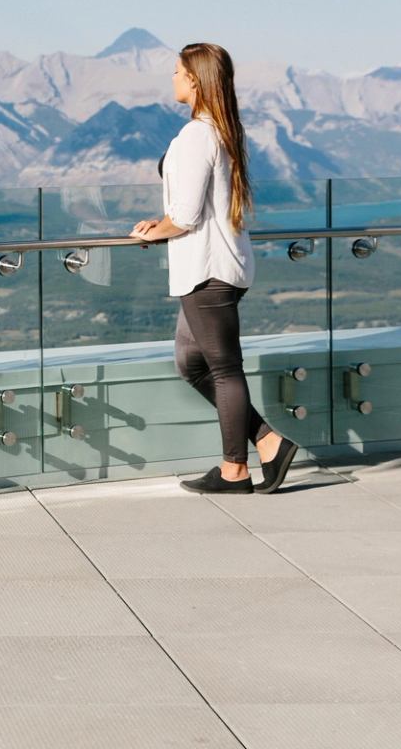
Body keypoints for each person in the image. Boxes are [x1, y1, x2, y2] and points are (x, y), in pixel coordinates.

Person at [128, 42, 300, 495]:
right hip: (222, 267)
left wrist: (154, 230)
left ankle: (234, 470)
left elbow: (183, 216)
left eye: (177, 72)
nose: (172, 78)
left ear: (195, 81)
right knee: (191, 363)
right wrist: (160, 225)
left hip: (207, 273)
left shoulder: (196, 137)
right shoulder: (220, 132)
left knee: (224, 369)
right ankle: (268, 441)